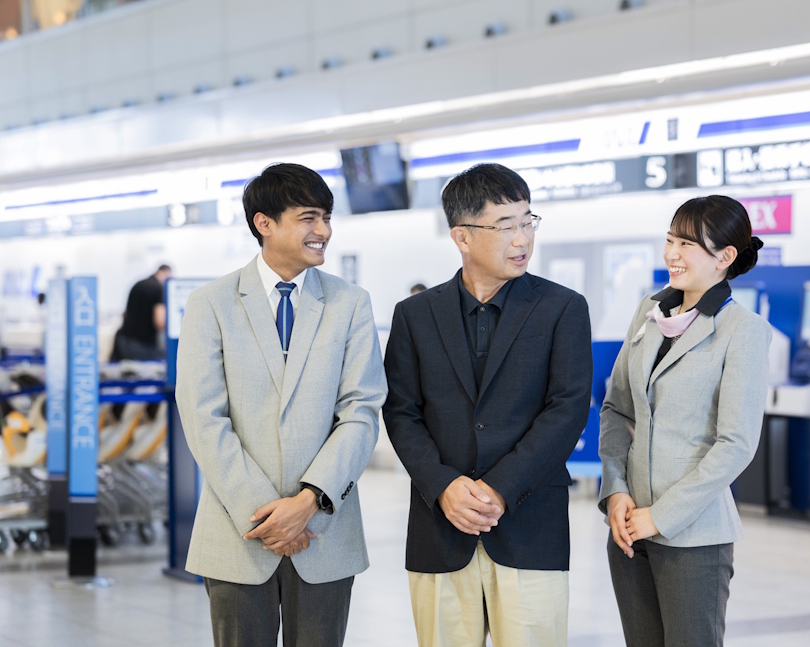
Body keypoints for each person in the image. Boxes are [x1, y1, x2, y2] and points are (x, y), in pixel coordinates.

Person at [175, 163, 387, 647]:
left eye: (327, 218)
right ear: (264, 223)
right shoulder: (212, 303)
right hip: (239, 531)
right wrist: (269, 517)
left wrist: (308, 501)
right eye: (309, 218)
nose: (324, 231)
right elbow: (204, 416)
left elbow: (361, 409)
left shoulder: (350, 303)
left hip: (325, 529)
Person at [383, 163, 593, 647]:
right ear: (462, 236)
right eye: (505, 226)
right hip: (441, 528)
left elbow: (567, 410)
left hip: (528, 525)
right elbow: (401, 412)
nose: (521, 238)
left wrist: (498, 489)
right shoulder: (415, 315)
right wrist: (444, 486)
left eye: (527, 221)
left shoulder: (562, 308)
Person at [598, 195, 772, 647]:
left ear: (725, 257)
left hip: (694, 538)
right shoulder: (649, 313)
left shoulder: (743, 330)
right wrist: (615, 491)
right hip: (629, 529)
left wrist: (662, 516)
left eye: (688, 244)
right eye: (670, 239)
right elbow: (617, 407)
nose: (672, 253)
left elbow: (735, 444)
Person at [111, 264, 171, 360]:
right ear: (166, 273)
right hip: (144, 344)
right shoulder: (158, 289)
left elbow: (125, 312)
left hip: (124, 339)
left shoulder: (138, 284)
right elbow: (160, 322)